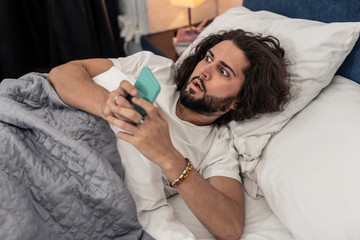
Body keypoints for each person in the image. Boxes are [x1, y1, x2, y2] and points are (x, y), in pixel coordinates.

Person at [47, 29, 290, 240]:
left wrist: (167, 157)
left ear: (239, 100)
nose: (205, 71)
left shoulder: (218, 147)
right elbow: (63, 73)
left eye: (224, 72)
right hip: (50, 131)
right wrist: (106, 106)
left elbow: (230, 228)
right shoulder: (156, 68)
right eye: (208, 58)